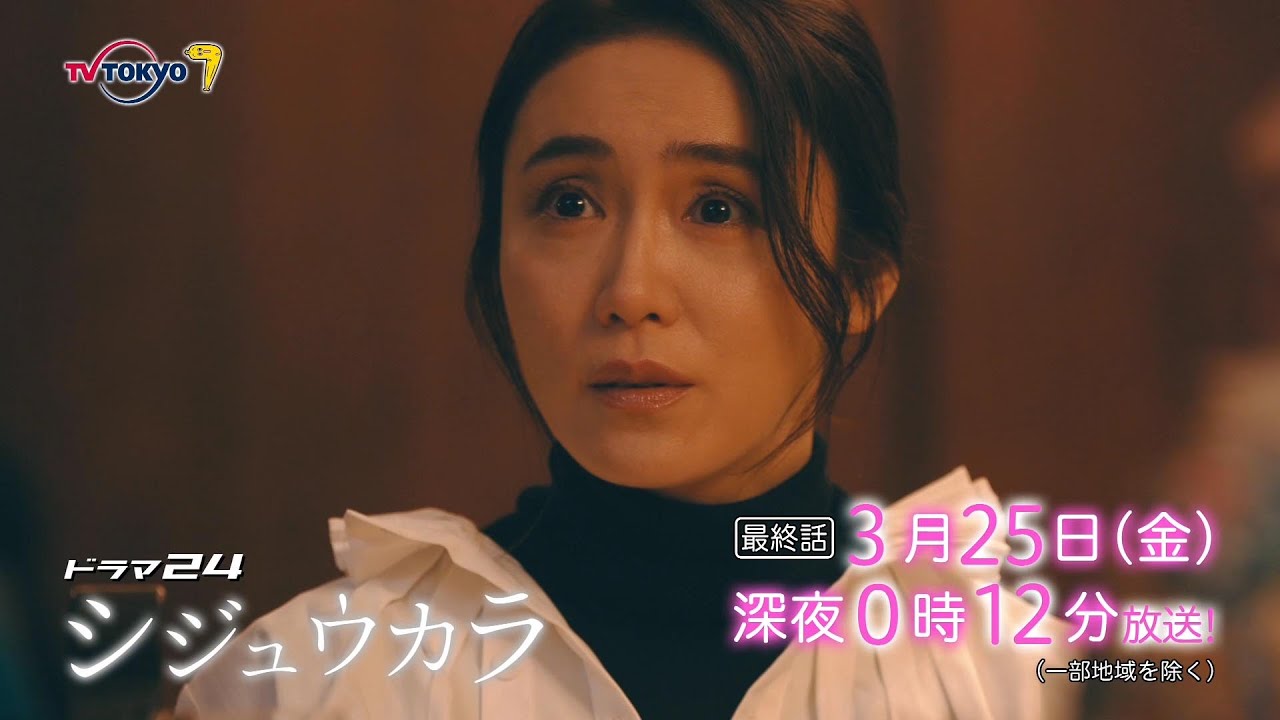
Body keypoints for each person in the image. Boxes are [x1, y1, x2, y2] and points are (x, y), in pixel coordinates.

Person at [175, 1, 1074, 717]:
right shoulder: (307, 684)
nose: (630, 289)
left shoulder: (1006, 675)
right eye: (569, 203)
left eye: (719, 208)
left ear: (861, 281)